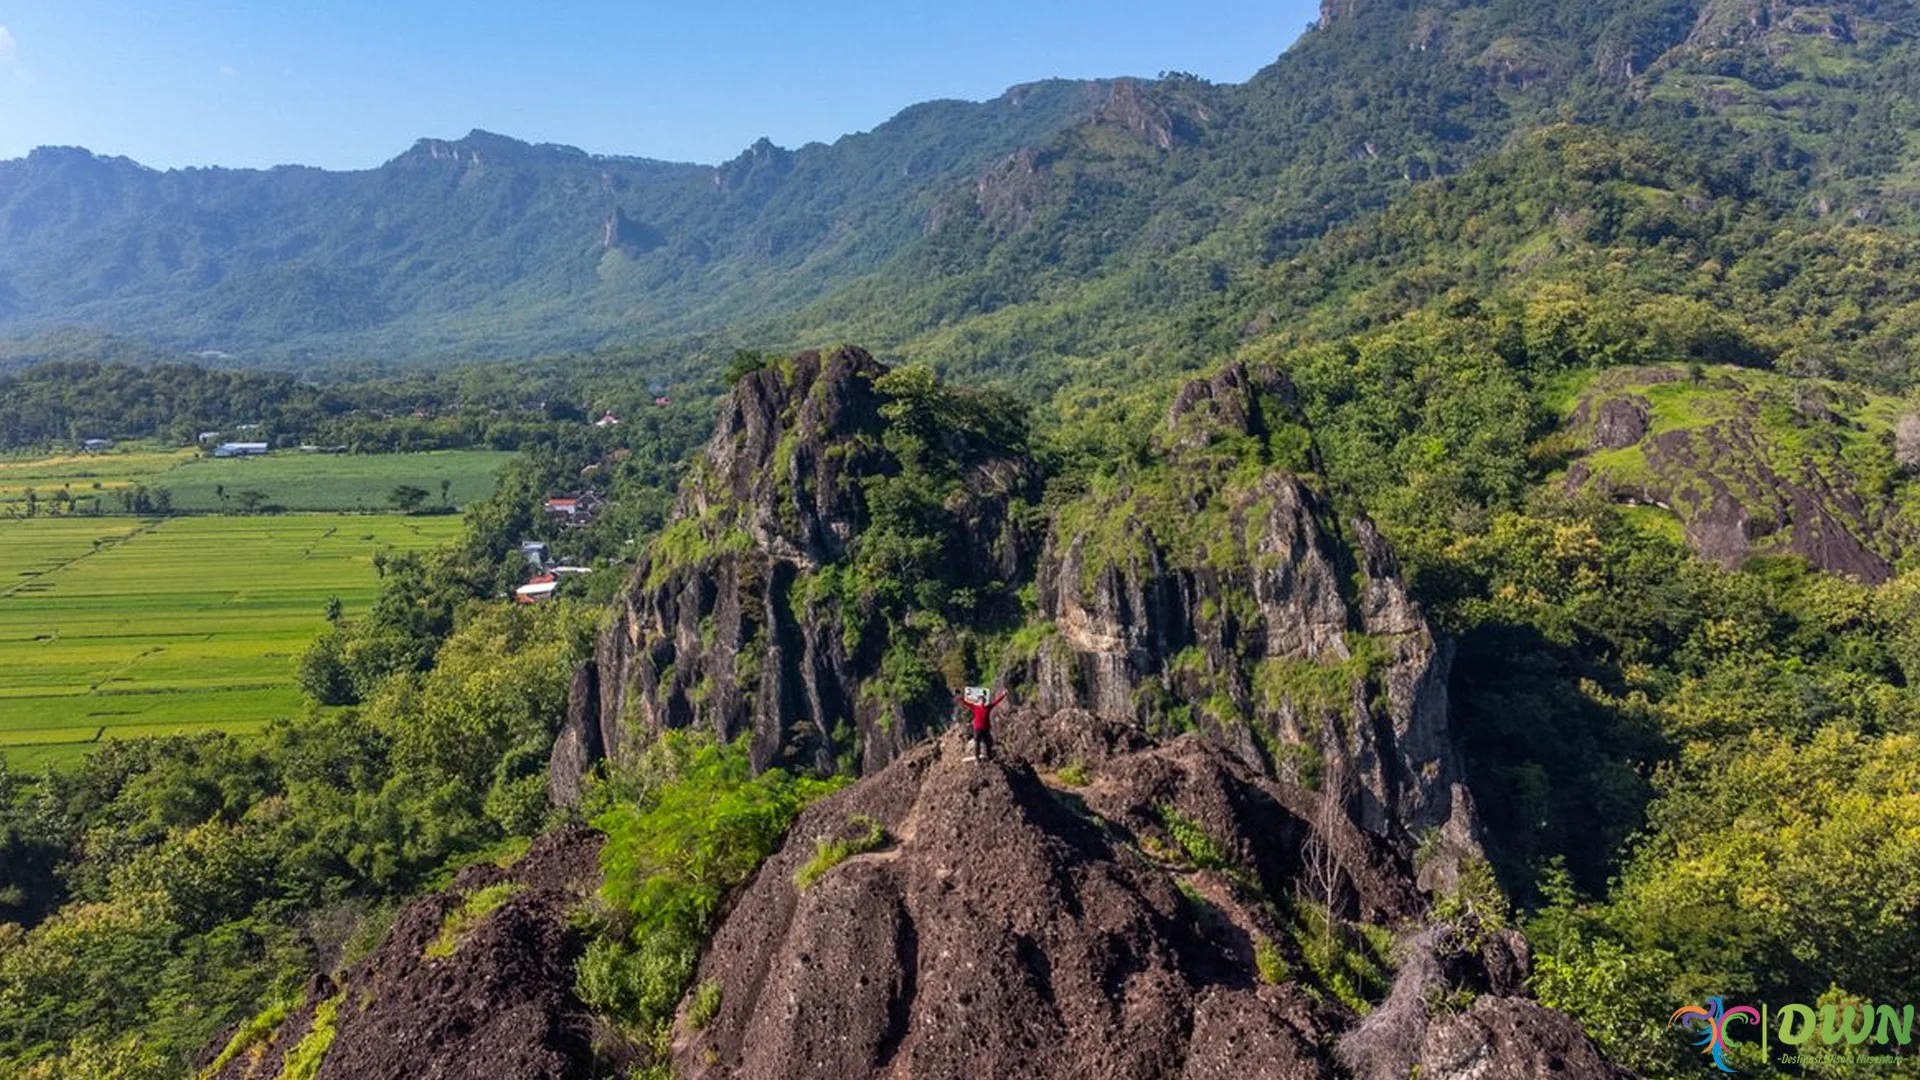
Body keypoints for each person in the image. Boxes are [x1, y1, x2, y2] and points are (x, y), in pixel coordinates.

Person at [955, 686, 1007, 761]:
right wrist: (959, 697)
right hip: (977, 729)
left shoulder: (988, 707)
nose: (982, 702)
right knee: (977, 744)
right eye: (980, 701)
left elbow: (996, 702)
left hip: (986, 728)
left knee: (988, 743)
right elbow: (966, 703)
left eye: (983, 701)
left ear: (985, 702)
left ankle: (990, 757)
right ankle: (977, 759)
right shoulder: (975, 707)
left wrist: (1003, 695)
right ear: (978, 701)